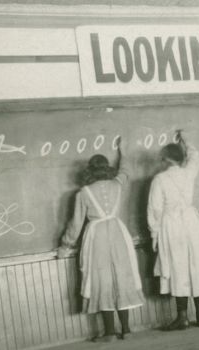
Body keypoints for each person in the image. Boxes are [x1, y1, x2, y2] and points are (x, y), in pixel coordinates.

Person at [57, 137, 143, 342]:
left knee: (101, 280)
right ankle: (127, 330)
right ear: (107, 168)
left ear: (89, 170)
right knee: (122, 277)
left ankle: (110, 332)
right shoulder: (117, 184)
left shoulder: (83, 193)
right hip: (118, 232)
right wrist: (122, 152)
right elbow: (125, 170)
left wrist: (65, 246)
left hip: (96, 237)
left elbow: (75, 224)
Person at [147, 130, 199, 331]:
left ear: (166, 159)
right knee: (195, 265)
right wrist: (186, 139)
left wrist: (154, 234)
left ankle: (182, 317)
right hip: (191, 222)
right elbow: (195, 156)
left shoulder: (159, 179)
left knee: (178, 268)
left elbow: (155, 209)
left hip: (171, 225)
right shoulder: (189, 171)